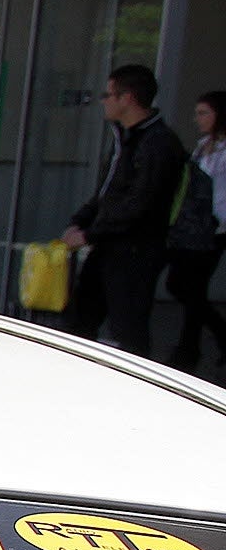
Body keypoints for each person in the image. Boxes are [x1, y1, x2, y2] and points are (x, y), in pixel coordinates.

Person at [66, 63, 189, 355]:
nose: (104, 101)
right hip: (109, 246)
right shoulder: (126, 138)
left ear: (128, 98)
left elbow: (140, 203)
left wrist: (90, 233)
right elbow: (109, 191)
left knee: (128, 328)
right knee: (79, 320)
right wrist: (81, 220)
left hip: (135, 251)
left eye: (108, 95)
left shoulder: (157, 144)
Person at [176, 90, 226, 371]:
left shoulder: (222, 151)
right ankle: (205, 340)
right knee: (187, 285)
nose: (198, 119)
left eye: (204, 113)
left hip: (217, 228)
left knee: (193, 286)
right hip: (199, 226)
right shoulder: (202, 146)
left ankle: (189, 349)